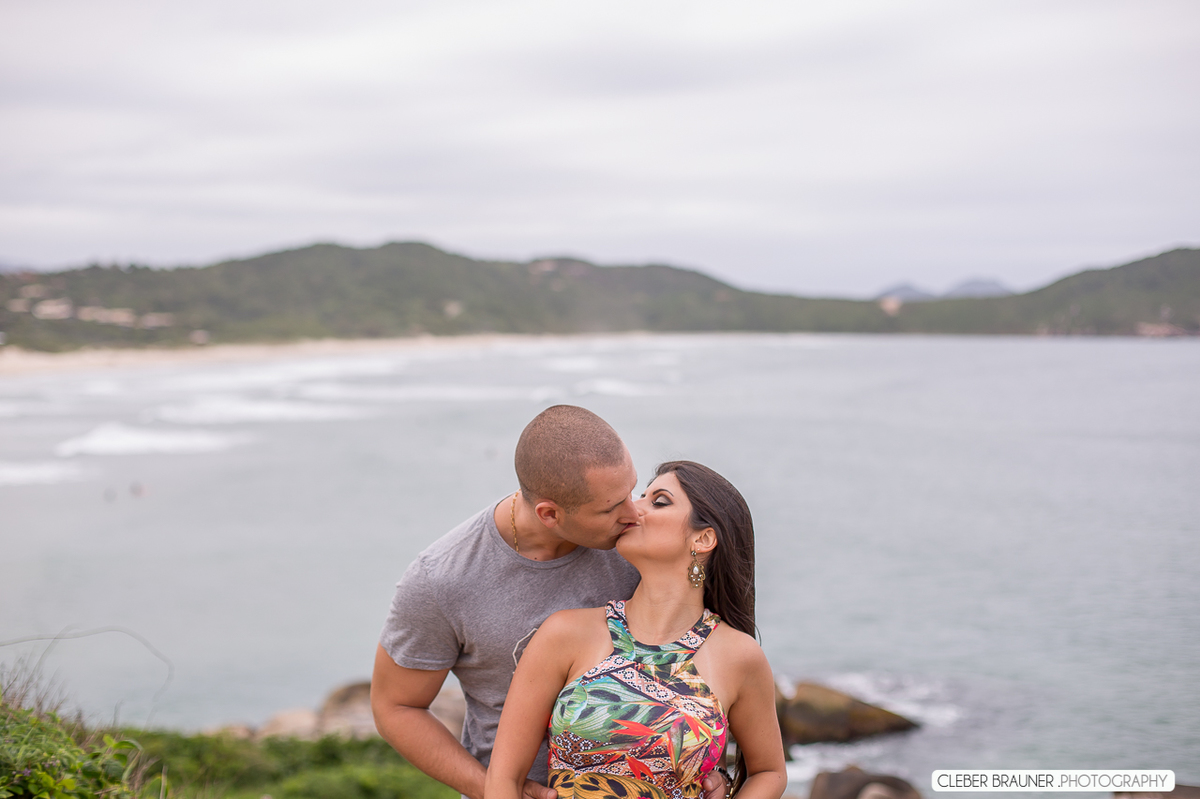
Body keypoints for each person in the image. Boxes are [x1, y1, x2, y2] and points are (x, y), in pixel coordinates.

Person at [371, 406, 729, 799]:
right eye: (612, 508)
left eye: (632, 491)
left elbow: (709, 666)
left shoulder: (638, 546)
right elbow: (396, 707)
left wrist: (715, 769)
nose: (633, 514)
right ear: (550, 514)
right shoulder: (442, 579)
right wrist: (493, 788)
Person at [485, 461, 787, 799]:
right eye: (639, 496)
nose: (632, 509)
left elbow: (769, 772)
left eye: (658, 501)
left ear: (703, 538)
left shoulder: (739, 656)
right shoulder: (565, 634)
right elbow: (503, 779)